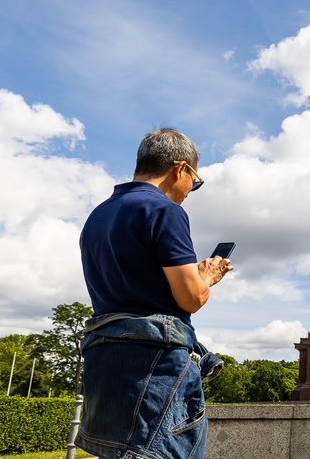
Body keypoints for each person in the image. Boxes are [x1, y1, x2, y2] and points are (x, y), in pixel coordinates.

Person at [76, 128, 232, 459]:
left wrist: (196, 274)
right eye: (195, 180)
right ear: (180, 169)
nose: (191, 190)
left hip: (105, 360)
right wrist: (209, 278)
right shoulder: (165, 211)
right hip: (154, 367)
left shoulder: (98, 215)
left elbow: (134, 284)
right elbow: (190, 299)